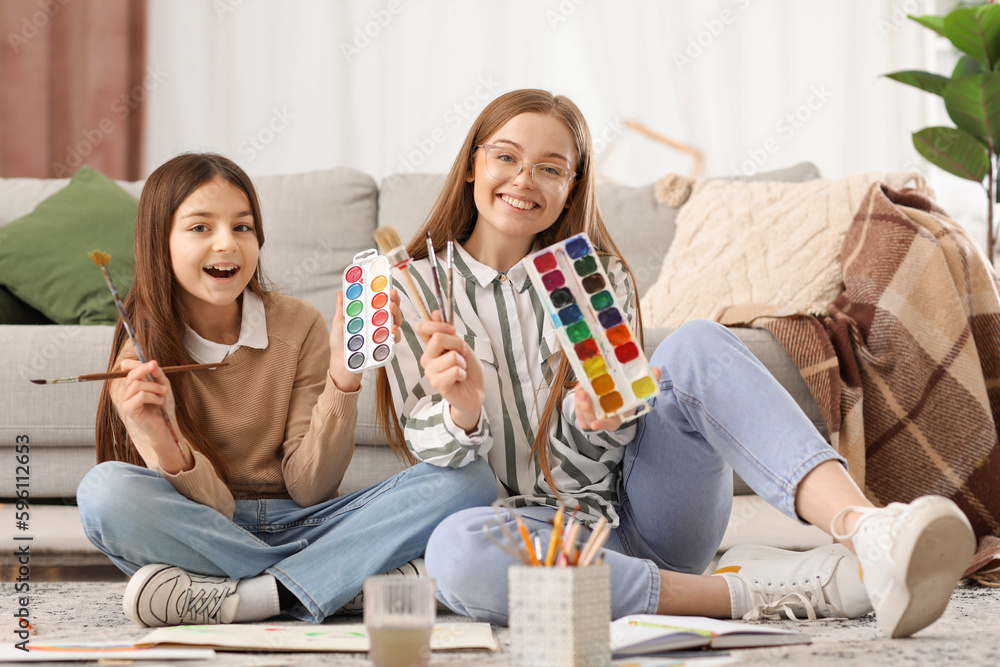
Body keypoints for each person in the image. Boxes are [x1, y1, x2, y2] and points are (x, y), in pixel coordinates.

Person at [375, 89, 976, 639]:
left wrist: (600, 425)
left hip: (642, 524)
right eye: (505, 157)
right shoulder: (409, 287)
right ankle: (745, 594)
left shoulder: (593, 278)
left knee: (695, 341)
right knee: (453, 552)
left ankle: (867, 531)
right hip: (523, 541)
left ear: (571, 184)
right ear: (474, 162)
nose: (523, 180)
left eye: (550, 168)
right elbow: (426, 456)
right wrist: (462, 412)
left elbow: (615, 437)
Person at [78, 152, 495, 628]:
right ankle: (337, 581)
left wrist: (344, 375)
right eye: (199, 228)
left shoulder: (299, 324)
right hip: (212, 530)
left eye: (242, 227)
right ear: (159, 242)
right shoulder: (140, 354)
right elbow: (214, 510)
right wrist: (162, 434)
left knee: (470, 479)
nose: (226, 244)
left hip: (310, 524)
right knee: (103, 493)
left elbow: (311, 486)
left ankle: (257, 596)